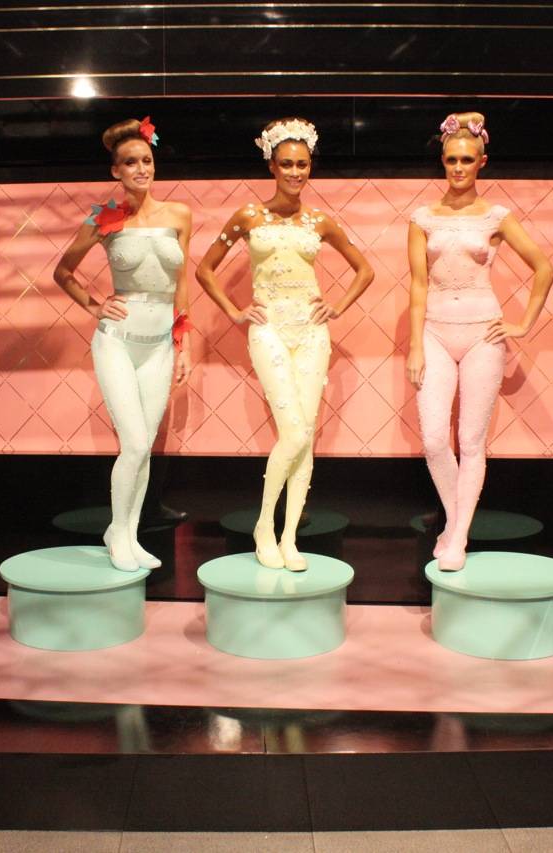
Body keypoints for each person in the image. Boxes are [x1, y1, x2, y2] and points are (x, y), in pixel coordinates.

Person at [196, 117, 374, 571]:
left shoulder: (320, 221)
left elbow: (365, 270)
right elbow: (204, 269)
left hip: (312, 331)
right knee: (293, 432)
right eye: (287, 164)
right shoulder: (248, 216)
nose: (296, 172)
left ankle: (290, 536)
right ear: (271, 166)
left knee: (305, 435)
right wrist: (235, 311)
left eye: (302, 164)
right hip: (269, 328)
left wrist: (337, 306)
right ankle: (263, 526)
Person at [406, 112, 553, 571]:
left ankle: (457, 538)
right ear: (442, 160)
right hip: (434, 330)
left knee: (471, 441)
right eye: (451, 159)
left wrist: (522, 324)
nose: (458, 167)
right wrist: (414, 345)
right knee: (435, 439)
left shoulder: (496, 216)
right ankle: (456, 523)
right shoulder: (422, 218)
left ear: (481, 162)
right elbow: (417, 285)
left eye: (467, 160)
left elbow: (544, 268)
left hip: (483, 332)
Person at [53, 117, 193, 572]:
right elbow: (63, 272)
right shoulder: (104, 218)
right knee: (132, 442)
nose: (141, 169)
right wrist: (94, 306)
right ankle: (117, 531)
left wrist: (185, 344)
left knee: (144, 445)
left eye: (146, 160)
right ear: (116, 170)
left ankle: (129, 536)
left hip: (160, 344)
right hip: (116, 341)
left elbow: (182, 282)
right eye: (130, 162)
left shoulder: (179, 215)